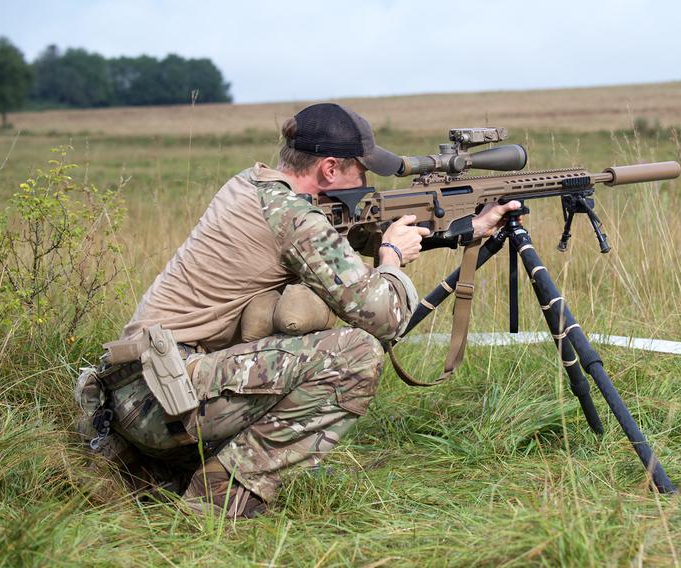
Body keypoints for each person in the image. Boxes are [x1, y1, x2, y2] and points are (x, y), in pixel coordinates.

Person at [88, 103, 520, 518]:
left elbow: (339, 240)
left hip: (134, 392)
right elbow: (383, 317)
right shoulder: (293, 216)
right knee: (356, 353)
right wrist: (390, 258)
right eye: (361, 169)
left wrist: (466, 227)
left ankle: (159, 472)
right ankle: (219, 499)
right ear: (330, 168)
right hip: (163, 401)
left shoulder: (254, 188)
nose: (367, 179)